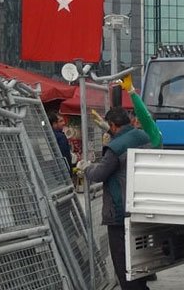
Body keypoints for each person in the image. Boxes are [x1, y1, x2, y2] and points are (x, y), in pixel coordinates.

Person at [79, 107, 150, 290]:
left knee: (123, 264)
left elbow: (100, 174)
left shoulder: (115, 148)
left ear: (112, 125)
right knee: (140, 261)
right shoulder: (143, 137)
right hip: (142, 209)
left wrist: (86, 168)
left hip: (119, 213)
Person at [118, 73, 163, 148]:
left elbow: (143, 115)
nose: (137, 121)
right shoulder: (137, 136)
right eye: (136, 120)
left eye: (139, 120)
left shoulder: (154, 135)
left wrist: (131, 92)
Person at [48, 111, 72, 176]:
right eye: (61, 121)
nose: (64, 123)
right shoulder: (61, 137)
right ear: (54, 124)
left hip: (51, 172)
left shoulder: (47, 135)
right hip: (63, 172)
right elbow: (65, 155)